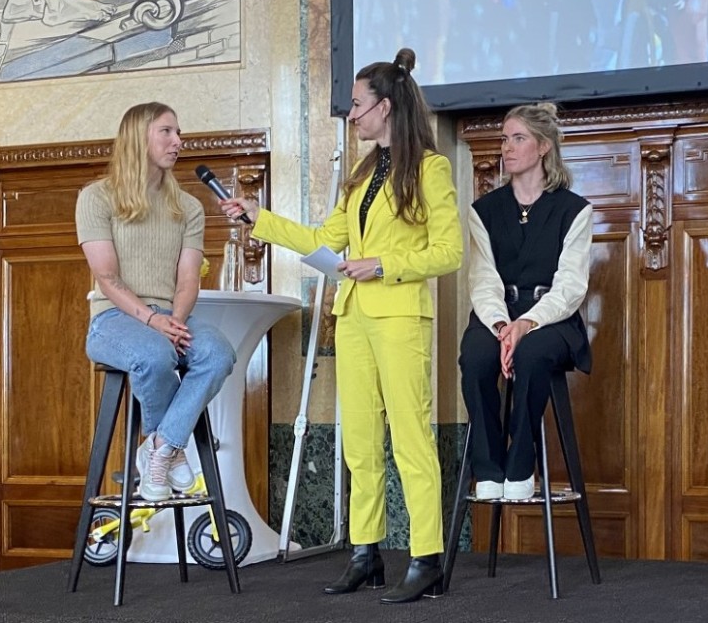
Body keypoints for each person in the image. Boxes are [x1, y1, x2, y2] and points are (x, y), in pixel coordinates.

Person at [220, 48, 463, 605]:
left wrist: (384, 264)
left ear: (386, 106)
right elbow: (321, 241)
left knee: (411, 439)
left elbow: (448, 252)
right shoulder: (360, 178)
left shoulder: (430, 168)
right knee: (359, 442)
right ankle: (366, 553)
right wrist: (258, 219)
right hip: (352, 318)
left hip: (401, 315)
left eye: (357, 105)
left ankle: (427, 558)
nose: (351, 116)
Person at [76, 102, 235, 501]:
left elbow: (186, 280)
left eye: (178, 133)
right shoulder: (96, 198)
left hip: (168, 316)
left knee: (217, 353)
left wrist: (175, 323)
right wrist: (154, 322)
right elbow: (107, 277)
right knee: (152, 355)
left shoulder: (189, 207)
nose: (178, 141)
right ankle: (171, 449)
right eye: (166, 131)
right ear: (138, 137)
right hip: (113, 319)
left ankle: (161, 446)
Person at [458, 102, 593, 502]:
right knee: (477, 358)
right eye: (504, 138)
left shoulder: (574, 210)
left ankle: (521, 462)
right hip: (496, 315)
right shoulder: (484, 211)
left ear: (544, 146)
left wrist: (526, 324)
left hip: (551, 319)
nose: (507, 147)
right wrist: (502, 326)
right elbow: (482, 279)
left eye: (518, 138)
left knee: (533, 354)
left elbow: (570, 286)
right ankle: (488, 467)